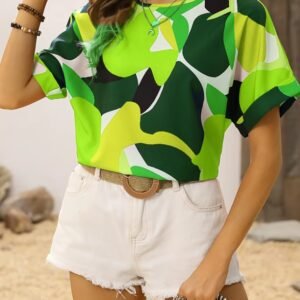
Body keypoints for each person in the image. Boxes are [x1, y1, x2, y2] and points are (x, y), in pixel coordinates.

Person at [0, 0, 299, 299]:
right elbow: (10, 93)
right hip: (97, 212)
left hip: (185, 217)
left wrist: (218, 260)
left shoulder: (238, 14)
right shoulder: (97, 13)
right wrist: (33, 4)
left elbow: (267, 157)